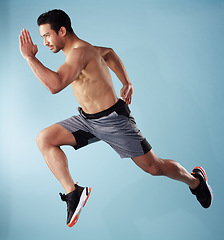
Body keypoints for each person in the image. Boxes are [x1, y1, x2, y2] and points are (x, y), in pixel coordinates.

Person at [19, 9, 213, 227]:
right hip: (87, 121)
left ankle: (195, 181)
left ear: (61, 31)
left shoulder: (79, 52)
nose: (44, 42)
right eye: (42, 37)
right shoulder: (84, 50)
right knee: (44, 139)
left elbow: (55, 85)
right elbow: (109, 53)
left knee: (154, 167)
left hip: (114, 121)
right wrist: (126, 81)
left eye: (47, 35)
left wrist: (29, 58)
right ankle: (74, 193)